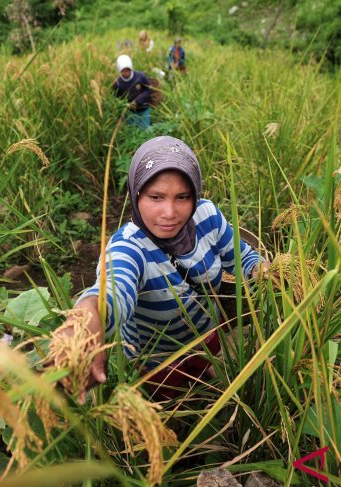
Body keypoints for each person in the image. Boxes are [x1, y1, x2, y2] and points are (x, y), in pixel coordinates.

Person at [74, 136, 266, 399]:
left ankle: (205, 367)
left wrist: (264, 272)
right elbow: (112, 291)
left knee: (215, 383)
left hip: (208, 335)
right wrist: (86, 322)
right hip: (160, 362)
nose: (169, 212)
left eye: (182, 197)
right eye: (156, 197)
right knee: (173, 411)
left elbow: (243, 257)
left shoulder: (206, 215)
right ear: (136, 192)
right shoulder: (128, 248)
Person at [112, 55, 153, 130]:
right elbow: (117, 99)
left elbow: (149, 89)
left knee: (145, 131)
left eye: (128, 70)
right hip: (130, 113)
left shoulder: (140, 76)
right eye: (123, 71)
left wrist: (137, 101)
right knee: (133, 132)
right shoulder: (117, 84)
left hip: (144, 109)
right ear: (120, 71)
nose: (126, 72)